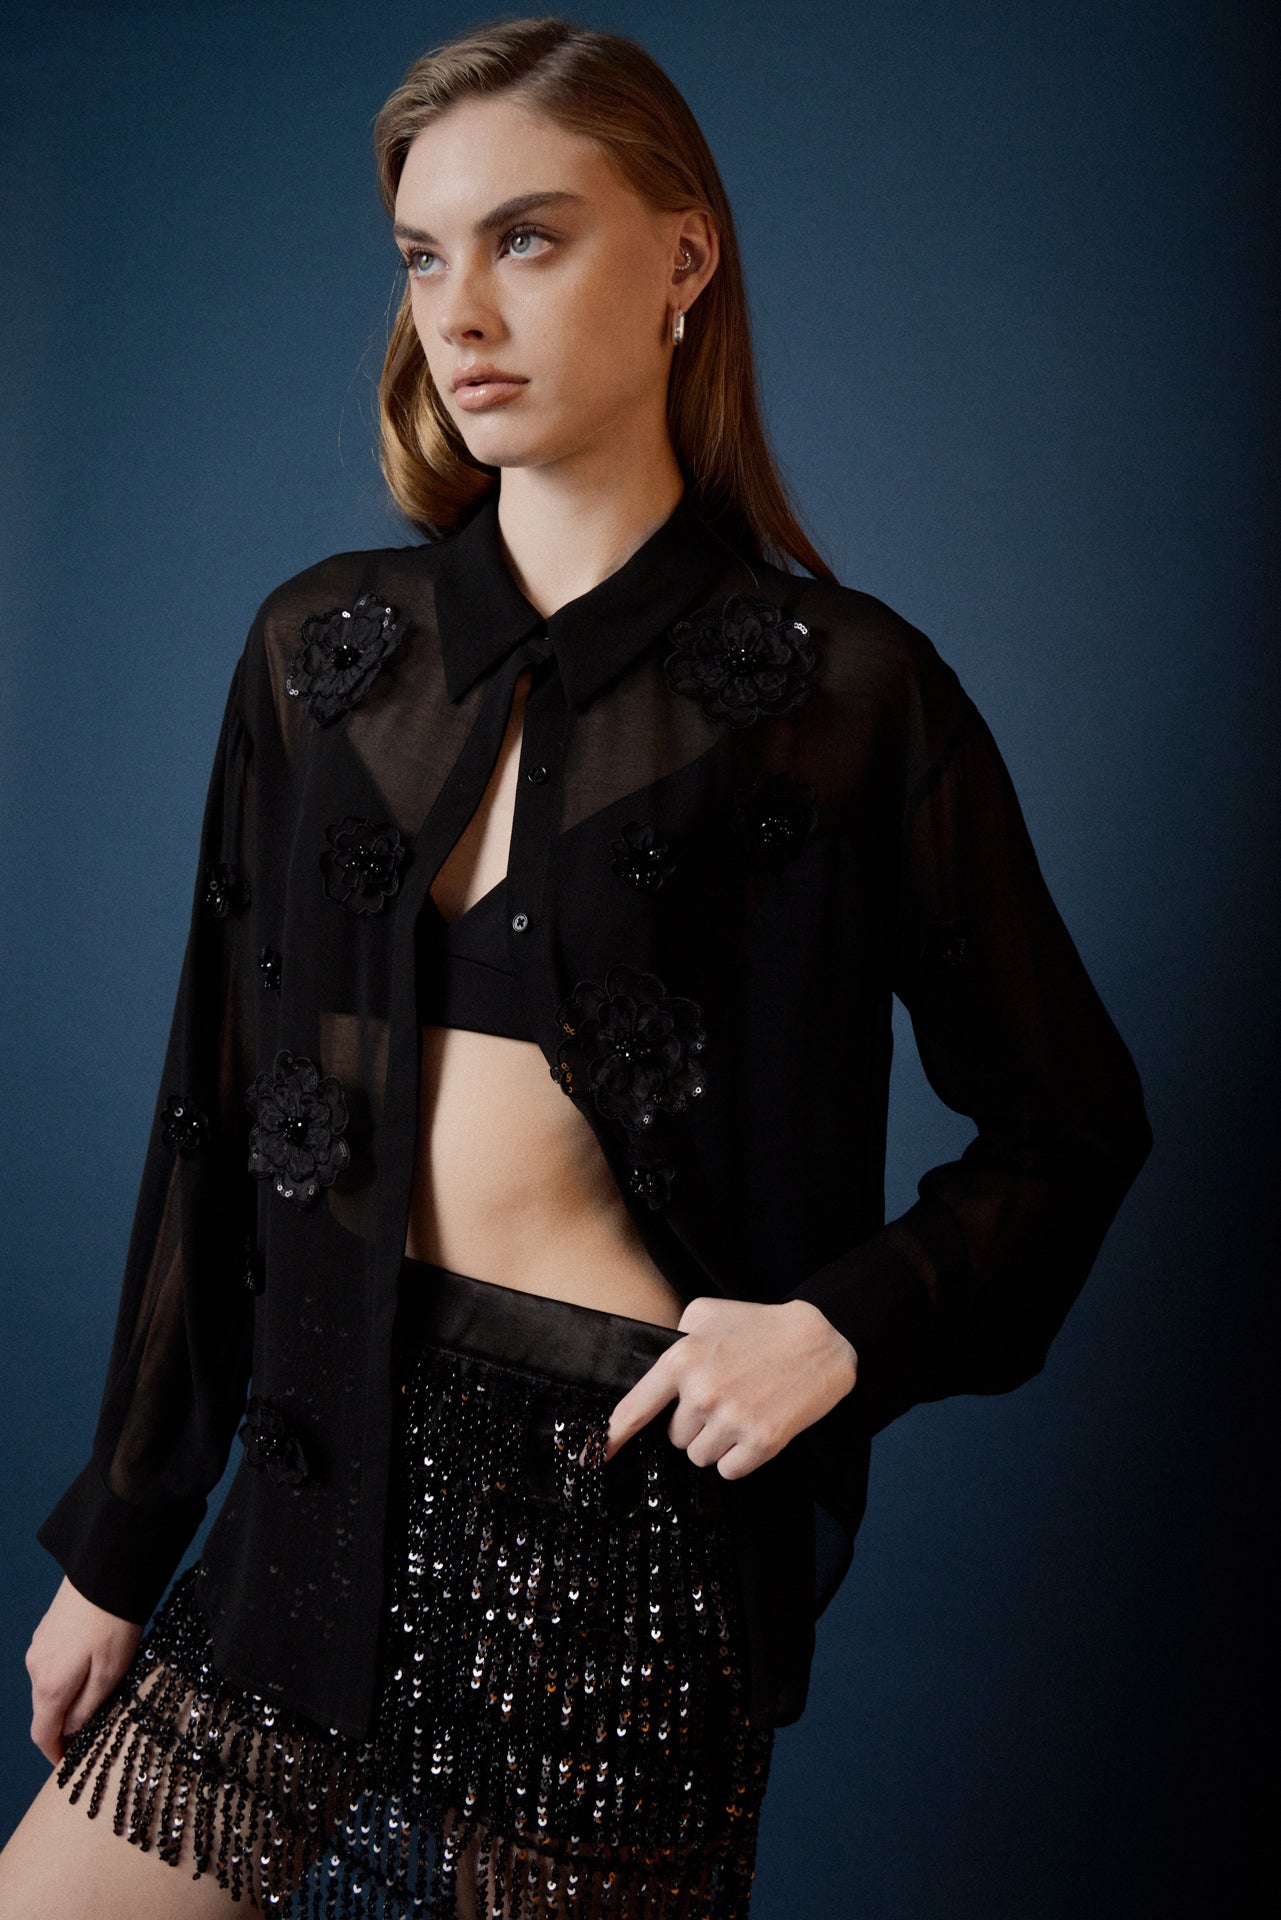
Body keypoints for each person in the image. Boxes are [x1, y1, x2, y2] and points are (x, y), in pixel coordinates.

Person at [1, 14, 1154, 1919]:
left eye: (525, 239)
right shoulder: (317, 656)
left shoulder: (844, 696)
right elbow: (208, 1115)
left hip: (608, 1541)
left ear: (683, 258)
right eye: (422, 256)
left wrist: (840, 1327)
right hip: (308, 1485)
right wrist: (121, 1546)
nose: (460, 312)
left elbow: (1068, 1124)